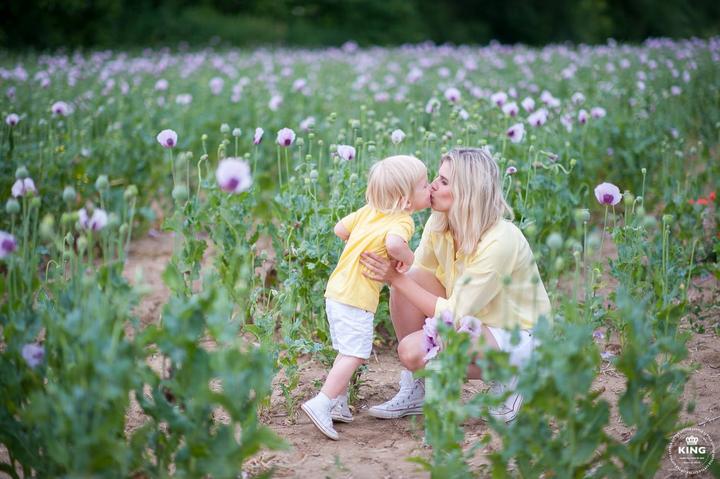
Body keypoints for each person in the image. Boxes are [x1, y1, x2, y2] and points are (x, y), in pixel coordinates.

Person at [360, 147, 551, 423]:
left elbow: (454, 314)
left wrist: (394, 277)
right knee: (410, 279)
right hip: (474, 320)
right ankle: (420, 386)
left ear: (468, 192)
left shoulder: (500, 240)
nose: (432, 186)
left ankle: (517, 374)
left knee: (413, 350)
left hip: (517, 334)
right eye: (436, 178)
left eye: (444, 181)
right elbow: (416, 275)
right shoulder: (440, 221)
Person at [301, 155, 431, 440]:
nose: (430, 187)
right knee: (356, 353)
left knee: (345, 350)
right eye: (424, 185)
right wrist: (408, 258)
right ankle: (322, 402)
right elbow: (394, 244)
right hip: (356, 297)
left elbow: (339, 229)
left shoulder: (369, 211)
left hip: (336, 291)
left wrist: (361, 244)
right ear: (406, 200)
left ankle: (338, 404)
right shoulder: (403, 220)